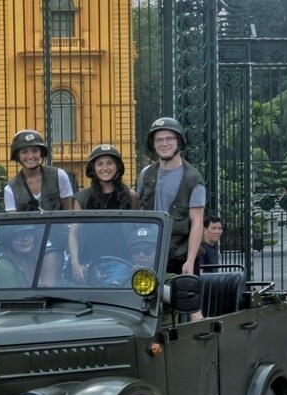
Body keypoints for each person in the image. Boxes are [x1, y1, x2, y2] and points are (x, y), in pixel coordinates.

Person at [137, 117, 206, 320]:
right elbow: (140, 209)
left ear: (179, 143)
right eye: (159, 140)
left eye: (169, 139)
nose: (164, 144)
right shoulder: (146, 174)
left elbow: (197, 222)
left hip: (180, 252)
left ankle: (201, 344)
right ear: (153, 144)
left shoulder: (192, 178)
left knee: (191, 305)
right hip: (150, 250)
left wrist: (190, 260)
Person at [68, 144, 140, 281]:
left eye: (110, 163)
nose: (105, 168)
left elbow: (135, 231)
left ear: (117, 166)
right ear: (93, 168)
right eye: (100, 164)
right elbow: (74, 232)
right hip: (88, 264)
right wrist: (75, 263)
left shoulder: (130, 196)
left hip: (122, 263)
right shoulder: (82, 197)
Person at [3, 130, 74, 212]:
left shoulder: (59, 176)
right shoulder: (10, 188)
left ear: (41, 153)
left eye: (35, 151)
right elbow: (13, 222)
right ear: (18, 156)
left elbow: (68, 214)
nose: (30, 156)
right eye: (24, 152)